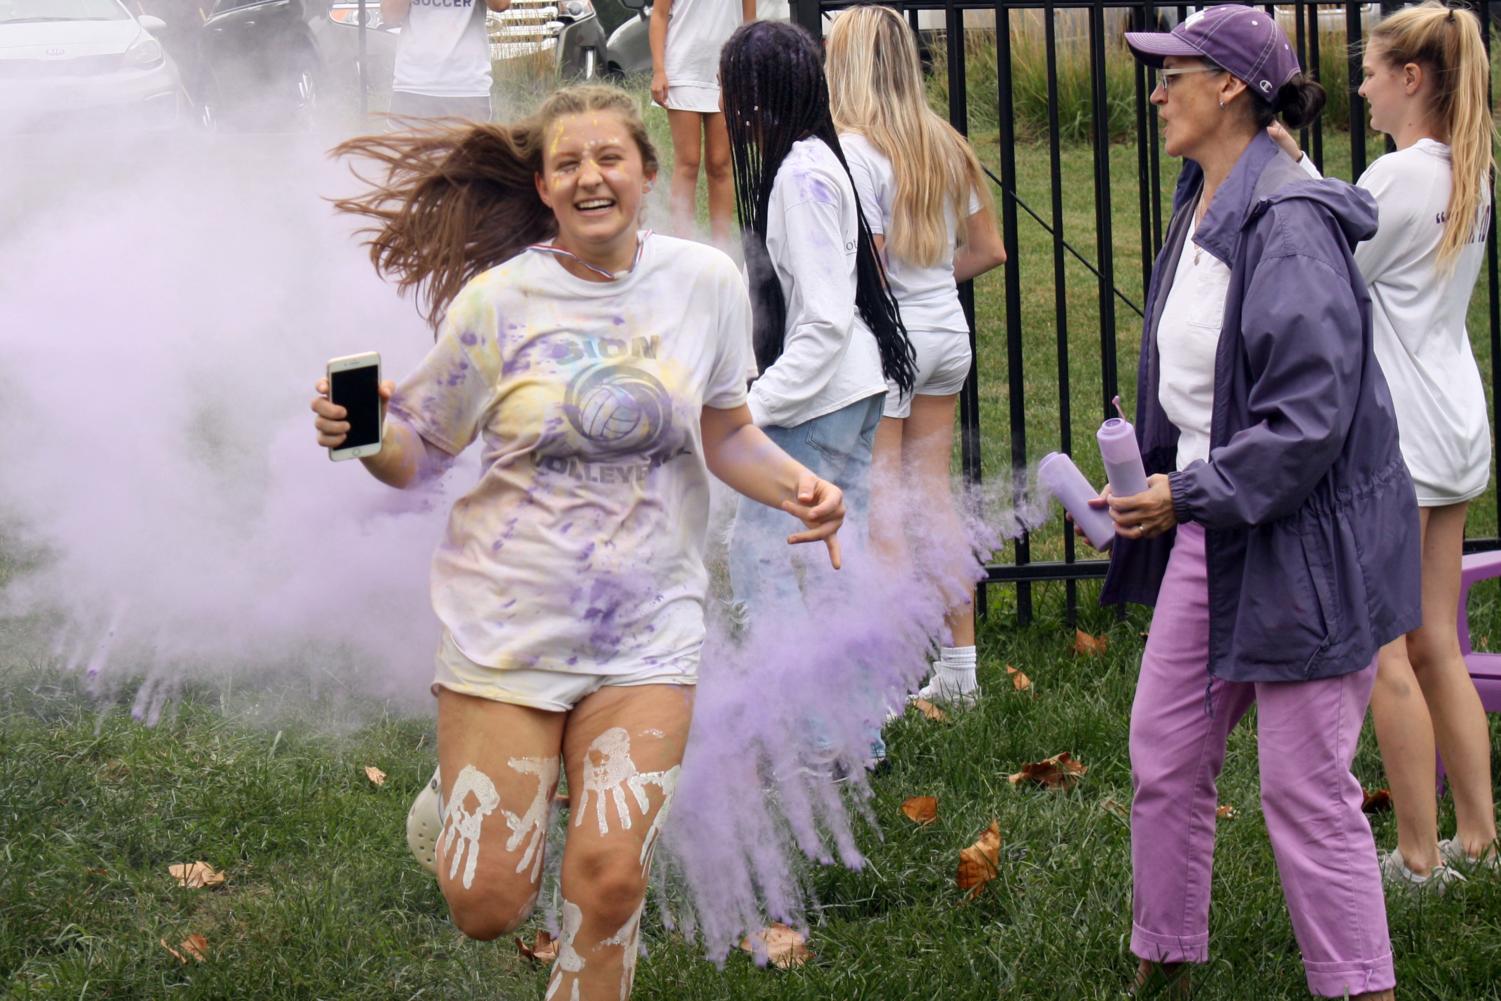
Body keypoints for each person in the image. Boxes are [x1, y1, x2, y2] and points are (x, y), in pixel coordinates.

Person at [312, 84, 847, 1001]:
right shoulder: (496, 302)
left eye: (609, 159)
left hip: (649, 627)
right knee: (486, 903)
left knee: (609, 875)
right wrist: (364, 437)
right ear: (545, 186)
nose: (591, 176)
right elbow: (422, 454)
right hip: (507, 625)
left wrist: (795, 483)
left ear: (647, 171)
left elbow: (724, 432)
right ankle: (456, 802)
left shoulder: (703, 283)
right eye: (569, 163)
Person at [1100, 7, 1420, 998]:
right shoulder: (1204, 194)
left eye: (1174, 75)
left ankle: (1359, 983)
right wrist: (1167, 479)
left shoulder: (1285, 223)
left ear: (1230, 86)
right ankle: (1165, 956)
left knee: (1302, 783)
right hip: (1214, 526)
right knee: (1162, 749)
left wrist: (1185, 488)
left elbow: (1305, 422)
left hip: (1302, 543)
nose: (1157, 93)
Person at [1269, 0, 1499, 889]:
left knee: (1385, 650)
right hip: (1456, 423)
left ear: (1411, 79)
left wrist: (1294, 177)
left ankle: (1414, 854)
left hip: (1398, 438)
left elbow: (1335, 263)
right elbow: (1370, 232)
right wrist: (1312, 172)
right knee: (1434, 637)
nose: (1357, 86)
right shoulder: (1469, 170)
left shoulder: (1397, 176)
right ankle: (1478, 838)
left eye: (1368, 72)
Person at [825, 4, 1006, 705]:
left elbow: (862, 270)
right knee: (933, 495)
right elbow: (988, 250)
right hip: (944, 336)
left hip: (888, 343)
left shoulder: (851, 149)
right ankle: (959, 666)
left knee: (884, 506)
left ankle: (891, 676)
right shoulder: (946, 142)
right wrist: (927, 280)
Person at [719, 18, 915, 624]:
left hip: (824, 393)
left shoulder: (800, 178)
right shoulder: (813, 161)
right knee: (835, 565)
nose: (726, 109)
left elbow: (826, 320)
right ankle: (851, 716)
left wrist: (754, 408)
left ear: (758, 97)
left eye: (731, 92)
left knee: (763, 553)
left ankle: (798, 709)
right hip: (852, 387)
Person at [649, 0, 753, 245]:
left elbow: (750, 23)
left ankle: (721, 250)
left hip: (727, 70)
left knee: (720, 163)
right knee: (688, 161)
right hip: (682, 69)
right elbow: (659, 15)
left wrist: (747, 69)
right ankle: (683, 246)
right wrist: (659, 70)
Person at [379, 0, 511, 121]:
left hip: (467, 86)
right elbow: (391, 16)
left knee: (466, 147)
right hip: (413, 84)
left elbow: (500, 5)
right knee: (409, 147)